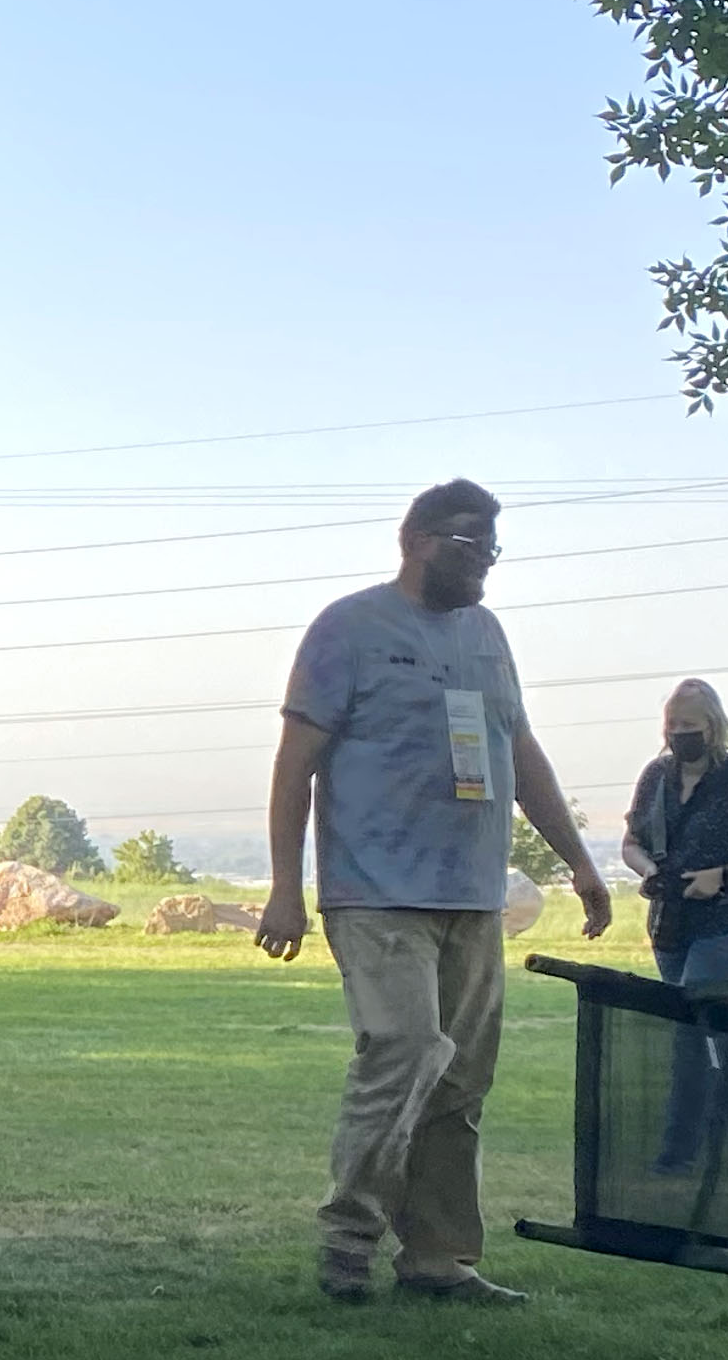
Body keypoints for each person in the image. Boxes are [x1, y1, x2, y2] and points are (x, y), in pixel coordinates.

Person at [259, 480, 613, 1304]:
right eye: (465, 542)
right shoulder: (348, 629)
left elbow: (519, 751)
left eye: (491, 546)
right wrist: (285, 886)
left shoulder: (487, 636)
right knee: (405, 1050)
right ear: (413, 540)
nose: (482, 560)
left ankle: (438, 1260)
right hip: (376, 893)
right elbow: (294, 767)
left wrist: (581, 862)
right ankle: (347, 1241)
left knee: (460, 1083)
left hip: (471, 894)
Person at [619, 678, 728, 1176]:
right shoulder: (656, 776)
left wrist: (723, 876)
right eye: (674, 726)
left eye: (691, 725)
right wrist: (648, 870)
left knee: (691, 1030)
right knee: (711, 1031)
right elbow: (631, 842)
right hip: (672, 923)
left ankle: (678, 1152)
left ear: (713, 726)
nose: (681, 733)